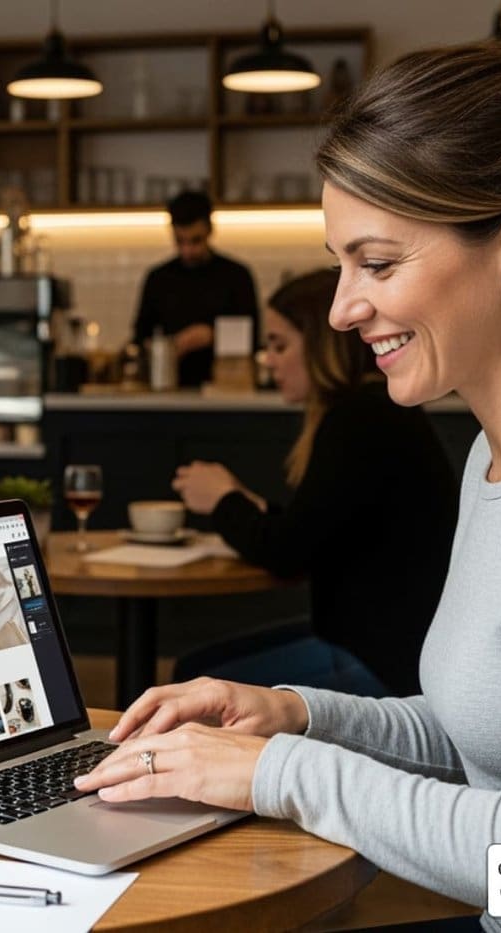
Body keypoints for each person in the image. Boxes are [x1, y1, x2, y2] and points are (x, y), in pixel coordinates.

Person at [75, 41, 501, 928]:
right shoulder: (495, 453)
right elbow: (487, 737)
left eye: (378, 263)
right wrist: (291, 715)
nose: (340, 308)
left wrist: (279, 774)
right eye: (341, 262)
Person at [170, 268, 458, 697]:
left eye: (279, 345)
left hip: (381, 662)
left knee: (190, 682)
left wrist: (225, 500)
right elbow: (318, 530)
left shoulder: (359, 419)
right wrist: (247, 503)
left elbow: (287, 553)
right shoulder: (369, 409)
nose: (268, 360)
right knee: (193, 671)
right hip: (382, 644)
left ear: (322, 344)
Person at [132, 190, 259, 387]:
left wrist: (212, 335)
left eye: (196, 241)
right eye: (180, 241)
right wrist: (167, 347)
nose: (188, 250)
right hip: (168, 386)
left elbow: (253, 337)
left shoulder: (236, 276)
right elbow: (140, 337)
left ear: (210, 230)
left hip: (226, 387)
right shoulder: (158, 278)